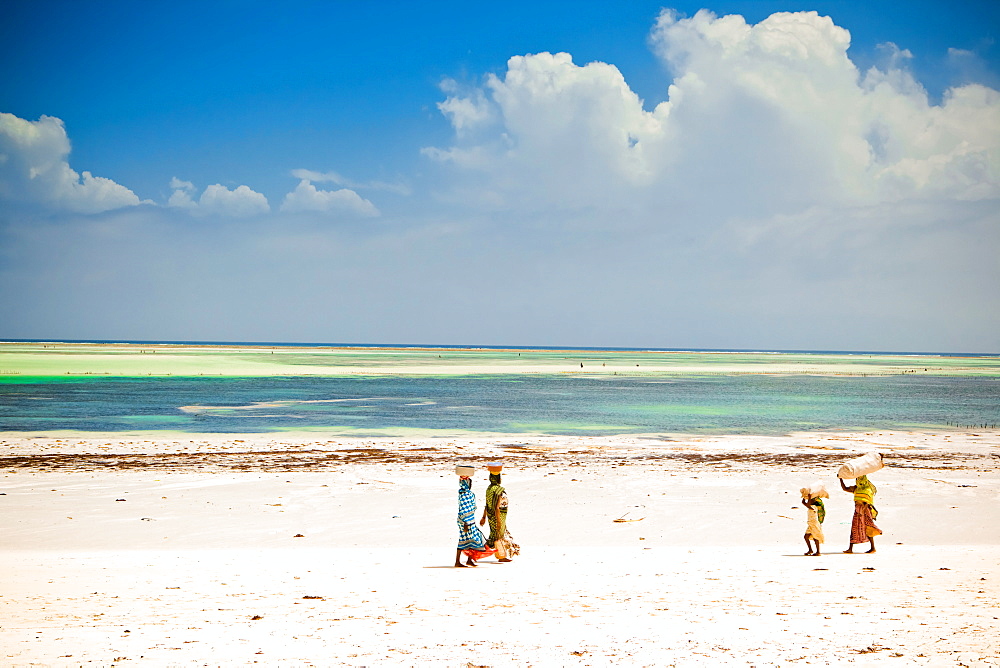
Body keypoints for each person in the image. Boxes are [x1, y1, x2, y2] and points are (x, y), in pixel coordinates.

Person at [479, 462, 520, 562]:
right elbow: (497, 507)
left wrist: (484, 517)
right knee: (498, 535)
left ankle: (494, 553)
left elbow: (487, 504)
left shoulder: (489, 489)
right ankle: (500, 556)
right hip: (498, 515)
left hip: (490, 515)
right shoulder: (498, 490)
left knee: (495, 535)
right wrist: (499, 521)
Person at [455, 466, 495, 567]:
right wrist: (465, 522)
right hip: (466, 521)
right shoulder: (466, 494)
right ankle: (459, 561)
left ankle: (469, 560)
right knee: (468, 540)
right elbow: (466, 508)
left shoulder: (462, 493)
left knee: (470, 540)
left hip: (467, 520)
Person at [840, 474, 882, 553]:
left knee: (868, 527)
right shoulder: (856, 488)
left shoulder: (867, 489)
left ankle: (873, 548)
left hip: (866, 511)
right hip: (857, 510)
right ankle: (850, 548)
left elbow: (868, 502)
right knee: (854, 528)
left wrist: (862, 511)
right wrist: (841, 479)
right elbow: (845, 488)